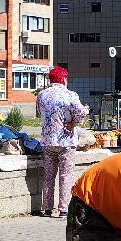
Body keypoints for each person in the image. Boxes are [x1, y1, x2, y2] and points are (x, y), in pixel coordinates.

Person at [35, 67, 88, 218]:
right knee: (66, 175)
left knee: (48, 175)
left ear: (50, 80)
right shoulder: (69, 94)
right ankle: (63, 209)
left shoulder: (41, 95)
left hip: (47, 140)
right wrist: (73, 124)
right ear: (64, 79)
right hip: (66, 140)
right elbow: (81, 112)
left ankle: (47, 209)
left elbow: (39, 113)